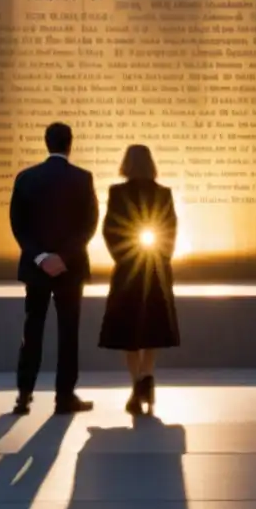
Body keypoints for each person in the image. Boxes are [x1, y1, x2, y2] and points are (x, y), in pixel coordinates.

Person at [9, 122, 100, 415]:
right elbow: (89, 225)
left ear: (46, 143)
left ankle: (24, 395)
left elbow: (18, 225)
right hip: (69, 269)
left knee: (32, 329)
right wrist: (63, 257)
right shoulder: (83, 178)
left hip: (36, 270)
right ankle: (64, 397)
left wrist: (39, 257)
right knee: (68, 332)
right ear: (69, 144)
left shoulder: (26, 178)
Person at [99, 144, 180, 415]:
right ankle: (147, 374)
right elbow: (170, 229)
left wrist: (122, 258)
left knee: (128, 331)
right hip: (155, 268)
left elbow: (110, 229)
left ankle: (137, 382)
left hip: (128, 270)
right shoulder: (163, 193)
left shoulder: (117, 192)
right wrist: (163, 257)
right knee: (153, 328)